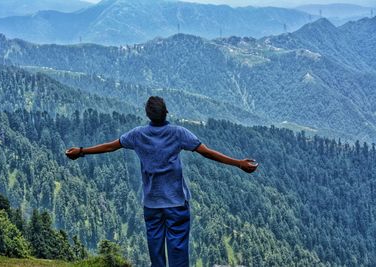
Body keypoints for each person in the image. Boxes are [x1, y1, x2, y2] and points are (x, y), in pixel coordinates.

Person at [65, 96, 259, 267]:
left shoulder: (137, 134)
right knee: (178, 250)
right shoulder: (178, 133)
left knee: (155, 250)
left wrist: (81, 151)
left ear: (148, 115)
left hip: (152, 203)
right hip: (176, 202)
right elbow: (207, 153)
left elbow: (109, 147)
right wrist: (238, 163)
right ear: (166, 112)